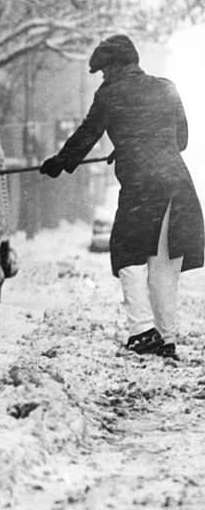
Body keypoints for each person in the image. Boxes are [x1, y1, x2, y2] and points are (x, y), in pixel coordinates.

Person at [40, 34, 204, 359]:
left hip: (143, 185)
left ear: (116, 65)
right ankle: (166, 338)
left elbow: (87, 134)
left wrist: (61, 162)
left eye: (104, 71)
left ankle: (143, 332)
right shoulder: (166, 87)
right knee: (165, 260)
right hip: (176, 184)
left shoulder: (110, 94)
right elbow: (180, 140)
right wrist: (131, 144)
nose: (103, 77)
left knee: (128, 253)